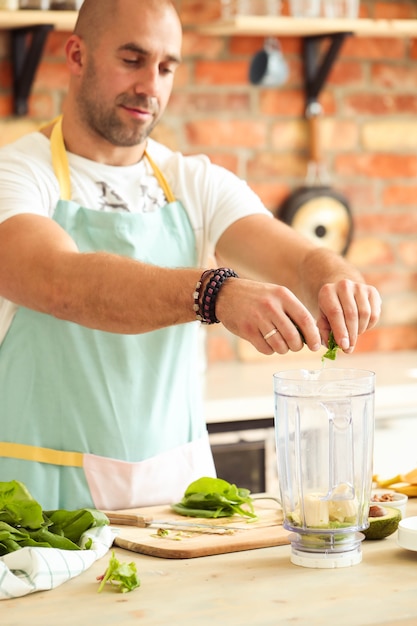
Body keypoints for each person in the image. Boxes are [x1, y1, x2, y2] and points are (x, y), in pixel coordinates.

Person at [0, 0, 381, 511]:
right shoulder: (17, 175)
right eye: (132, 60)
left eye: (166, 67)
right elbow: (56, 281)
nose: (150, 86)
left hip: (178, 506)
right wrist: (214, 291)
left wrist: (335, 277)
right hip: (40, 507)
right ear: (77, 55)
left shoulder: (194, 182)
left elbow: (298, 258)